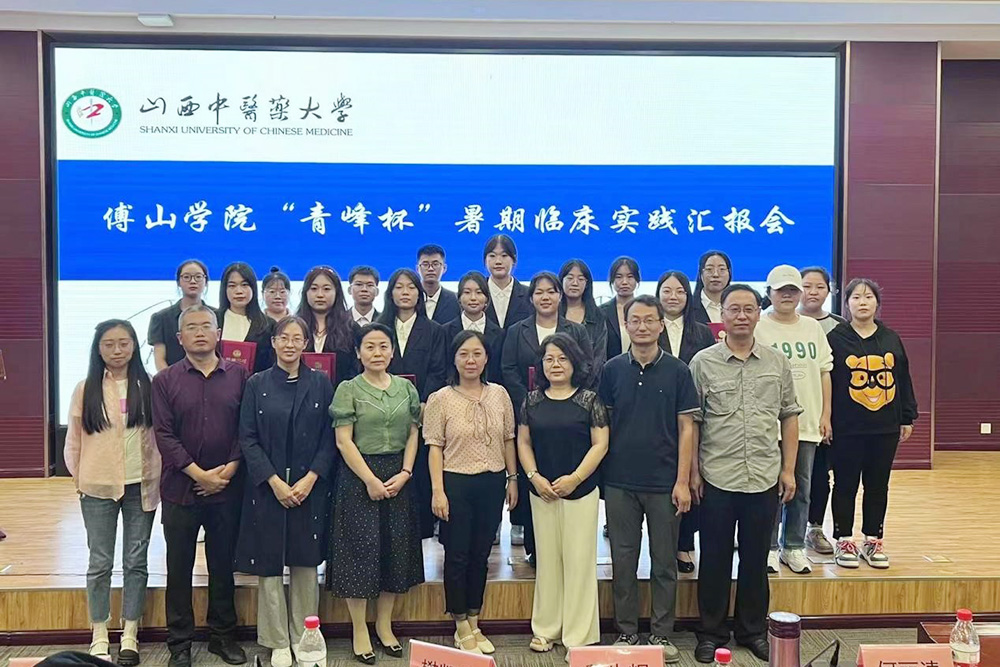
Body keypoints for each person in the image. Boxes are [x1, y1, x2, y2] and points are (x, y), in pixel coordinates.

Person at [688, 285, 802, 664]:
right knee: (715, 559)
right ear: (722, 314)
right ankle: (711, 632)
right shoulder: (702, 363)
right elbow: (693, 423)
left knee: (756, 560)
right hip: (717, 477)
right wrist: (694, 472)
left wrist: (788, 470)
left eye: (748, 309)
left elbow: (789, 416)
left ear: (757, 313)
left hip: (764, 476)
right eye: (733, 309)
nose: (741, 316)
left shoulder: (776, 362)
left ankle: (752, 630)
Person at [598, 295, 697, 662]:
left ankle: (661, 634)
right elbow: (603, 426)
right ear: (626, 325)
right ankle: (626, 632)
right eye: (635, 320)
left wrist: (683, 480)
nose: (642, 326)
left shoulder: (678, 370)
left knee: (664, 562)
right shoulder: (611, 370)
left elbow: (687, 428)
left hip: (664, 482)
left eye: (649, 320)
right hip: (619, 481)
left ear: (661, 325)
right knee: (623, 560)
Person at [234, 316, 336, 667]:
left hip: (309, 487)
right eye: (284, 337)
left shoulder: (321, 383)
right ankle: (277, 640)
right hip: (268, 488)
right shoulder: (256, 383)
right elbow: (247, 438)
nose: (290, 344)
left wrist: (311, 479)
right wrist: (274, 482)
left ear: (306, 343)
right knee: (270, 566)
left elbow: (329, 437)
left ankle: (305, 637)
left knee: (305, 565)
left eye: (297, 338)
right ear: (274, 342)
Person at [151, 305, 249, 667]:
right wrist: (200, 475)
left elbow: (246, 429)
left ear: (218, 333)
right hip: (180, 489)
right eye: (191, 328)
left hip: (227, 488)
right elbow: (164, 434)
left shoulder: (240, 375)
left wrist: (228, 471)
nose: (199, 332)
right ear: (180, 338)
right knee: (179, 569)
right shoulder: (164, 381)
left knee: (223, 566)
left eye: (206, 326)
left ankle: (223, 637)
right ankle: (180, 644)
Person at [65, 320, 160, 665]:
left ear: (134, 346)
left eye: (124, 343)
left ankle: (130, 632)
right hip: (97, 487)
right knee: (99, 562)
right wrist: (80, 479)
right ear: (98, 349)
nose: (117, 350)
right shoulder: (85, 388)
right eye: (109, 344)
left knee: (136, 561)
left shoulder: (149, 386)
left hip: (141, 485)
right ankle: (99, 633)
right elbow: (74, 441)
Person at [328, 324, 424, 664]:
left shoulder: (406, 388)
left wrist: (406, 473)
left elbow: (413, 433)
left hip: (398, 475)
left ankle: (384, 625)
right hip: (358, 477)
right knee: (359, 553)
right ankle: (359, 629)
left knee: (393, 552)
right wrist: (369, 480)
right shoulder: (348, 389)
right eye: (369, 346)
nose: (377, 353)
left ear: (392, 351)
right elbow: (343, 441)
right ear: (358, 352)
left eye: (383, 346)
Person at [424, 330, 518, 655]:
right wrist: (438, 491)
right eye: (463, 354)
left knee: (481, 555)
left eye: (477, 353)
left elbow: (508, 439)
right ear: (454, 358)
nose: (470, 360)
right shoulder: (440, 398)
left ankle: (475, 619)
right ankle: (460, 623)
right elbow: (434, 447)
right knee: (457, 555)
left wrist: (513, 479)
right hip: (455, 483)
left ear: (487, 357)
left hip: (492, 483)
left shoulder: (500, 394)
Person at [519, 333, 609, 654]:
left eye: (562, 358)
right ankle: (546, 629)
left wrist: (575, 478)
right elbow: (523, 442)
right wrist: (534, 477)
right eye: (549, 359)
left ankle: (578, 637)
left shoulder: (590, 400)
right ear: (541, 365)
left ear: (574, 363)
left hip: (580, 492)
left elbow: (600, 444)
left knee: (579, 562)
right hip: (542, 492)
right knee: (547, 562)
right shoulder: (531, 401)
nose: (555, 364)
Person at [502, 272, 594, 556]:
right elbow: (508, 369)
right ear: (531, 298)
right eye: (539, 292)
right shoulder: (517, 330)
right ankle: (533, 544)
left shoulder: (575, 330)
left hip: (570, 413)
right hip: (530, 413)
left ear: (559, 296)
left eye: (551, 291)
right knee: (534, 473)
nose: (545, 297)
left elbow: (587, 365)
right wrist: (530, 403)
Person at [828, 279, 917, 570]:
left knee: (878, 485)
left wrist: (907, 416)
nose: (862, 302)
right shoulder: (835, 338)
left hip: (885, 427)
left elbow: (903, 378)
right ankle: (844, 539)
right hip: (847, 427)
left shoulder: (890, 338)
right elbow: (827, 382)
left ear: (877, 303)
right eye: (856, 297)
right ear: (847, 304)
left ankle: (873, 538)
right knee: (845, 484)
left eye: (868, 297)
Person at [755, 266, 833, 576]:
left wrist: (825, 414)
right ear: (769, 293)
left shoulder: (812, 328)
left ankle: (794, 546)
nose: (787, 295)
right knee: (771, 490)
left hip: (808, 423)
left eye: (792, 290)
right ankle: (768, 548)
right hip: (769, 425)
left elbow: (824, 372)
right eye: (780, 290)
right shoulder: (759, 326)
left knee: (801, 488)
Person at [377, 268, 449, 540]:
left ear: (419, 294)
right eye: (399, 287)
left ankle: (421, 530)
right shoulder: (380, 328)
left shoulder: (434, 330)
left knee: (418, 470)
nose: (405, 292)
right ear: (390, 293)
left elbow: (438, 370)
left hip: (422, 411)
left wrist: (422, 403)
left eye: (410, 287)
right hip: (383, 410)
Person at [654, 270, 716, 573]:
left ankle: (684, 544)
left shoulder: (702, 331)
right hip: (658, 417)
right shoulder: (650, 327)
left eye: (679, 291)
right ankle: (660, 545)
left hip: (694, 414)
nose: (673, 297)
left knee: (692, 479)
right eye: (667, 291)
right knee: (664, 481)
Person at [798, 267, 847, 555]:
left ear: (829, 291)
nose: (813, 292)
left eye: (819, 287)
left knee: (818, 475)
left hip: (825, 414)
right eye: (807, 286)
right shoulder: (771, 322)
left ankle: (814, 528)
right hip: (787, 417)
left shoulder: (840, 326)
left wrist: (827, 415)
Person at [296, 266, 359, 389]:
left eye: (326, 289)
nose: (320, 295)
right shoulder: (295, 327)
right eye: (314, 289)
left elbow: (355, 369)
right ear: (305, 293)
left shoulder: (351, 329)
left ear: (337, 293)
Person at [148, 259, 212, 371]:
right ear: (178, 282)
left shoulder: (217, 316)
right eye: (186, 277)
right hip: (173, 378)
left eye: (198, 277)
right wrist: (169, 379)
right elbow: (159, 359)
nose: (193, 281)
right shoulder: (160, 318)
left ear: (206, 281)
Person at [442, 271, 505, 384]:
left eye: (479, 292)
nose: (473, 298)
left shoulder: (500, 334)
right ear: (459, 297)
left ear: (487, 298)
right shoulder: (445, 331)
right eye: (467, 292)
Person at [218, 262, 274, 374]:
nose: (239, 291)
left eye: (244, 285)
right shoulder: (212, 320)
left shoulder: (268, 325)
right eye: (232, 286)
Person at [559, 259, 608, 378]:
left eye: (581, 279)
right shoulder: (553, 313)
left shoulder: (597, 316)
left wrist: (587, 384)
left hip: (590, 382)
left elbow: (600, 356)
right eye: (570, 278)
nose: (575, 283)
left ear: (587, 284)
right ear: (561, 281)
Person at [483, 234, 532, 330]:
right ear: (485, 260)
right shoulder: (477, 293)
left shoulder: (528, 295)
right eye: (492, 256)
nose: (498, 261)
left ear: (514, 260)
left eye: (504, 255)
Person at [600, 256, 641, 359]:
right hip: (609, 366)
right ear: (612, 280)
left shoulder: (646, 310)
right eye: (619, 277)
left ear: (637, 279)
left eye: (630, 277)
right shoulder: (601, 312)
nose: (624, 282)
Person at [417, 244, 461, 325]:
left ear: (444, 268)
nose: (430, 269)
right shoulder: (410, 299)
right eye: (425, 264)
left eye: (435, 264)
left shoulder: (456, 301)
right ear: (417, 269)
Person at [691, 251, 733, 325]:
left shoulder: (738, 306)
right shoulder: (688, 307)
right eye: (709, 269)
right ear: (701, 274)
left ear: (729, 274)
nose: (715, 275)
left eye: (722, 269)